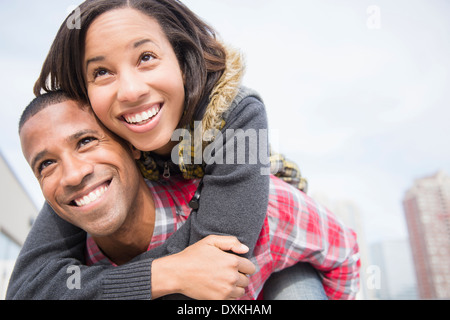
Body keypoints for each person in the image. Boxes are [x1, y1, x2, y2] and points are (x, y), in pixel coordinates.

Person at [8, 92, 359, 300]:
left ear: (131, 146)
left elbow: (344, 252)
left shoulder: (258, 202)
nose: (72, 174)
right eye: (46, 164)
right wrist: (167, 273)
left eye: (86, 142)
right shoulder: (71, 268)